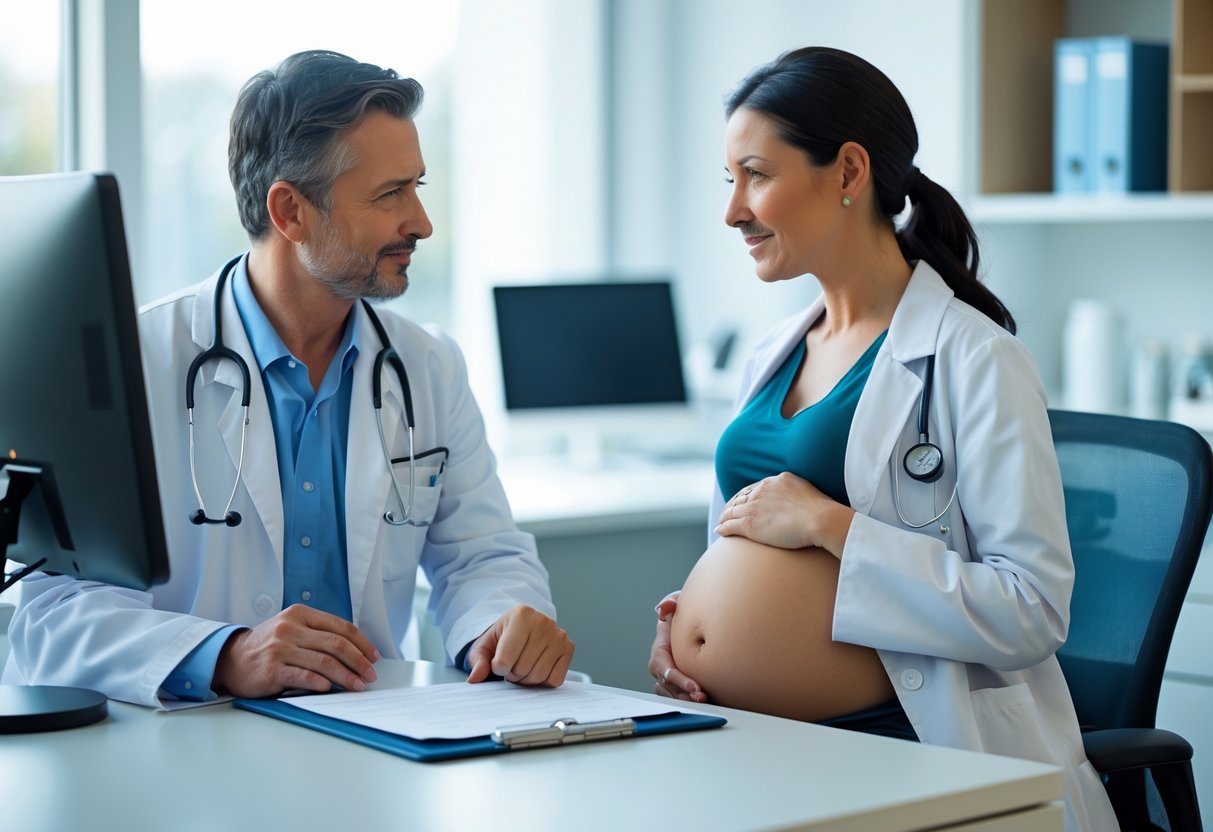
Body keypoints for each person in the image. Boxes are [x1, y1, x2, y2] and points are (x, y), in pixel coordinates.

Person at [4, 50, 572, 706]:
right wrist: (224, 655)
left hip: (379, 748)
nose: (421, 222)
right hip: (191, 755)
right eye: (391, 193)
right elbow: (51, 613)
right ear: (290, 211)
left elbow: (482, 557)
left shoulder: (428, 365)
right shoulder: (133, 363)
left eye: (417, 185)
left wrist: (498, 626)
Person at [646, 47, 1116, 832]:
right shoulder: (770, 355)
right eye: (728, 180)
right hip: (749, 749)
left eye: (755, 175)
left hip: (899, 752)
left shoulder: (975, 358)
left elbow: (1030, 612)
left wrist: (830, 527)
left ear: (847, 171)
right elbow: (742, 544)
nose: (732, 210)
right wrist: (681, 628)